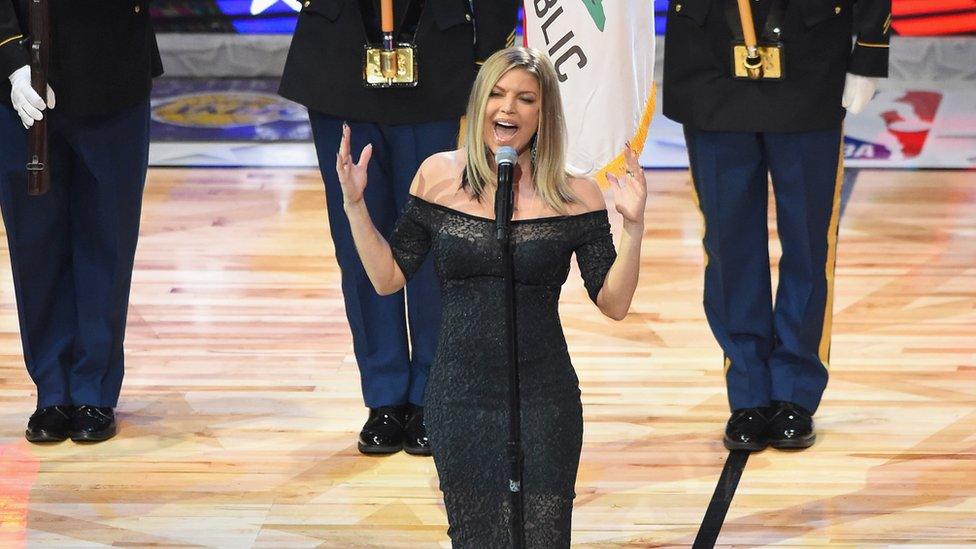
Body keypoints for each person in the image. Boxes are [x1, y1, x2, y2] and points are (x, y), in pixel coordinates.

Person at [336, 46, 647, 547]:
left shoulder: (576, 195)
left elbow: (613, 303)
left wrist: (632, 228)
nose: (509, 109)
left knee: (544, 537)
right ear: (479, 103)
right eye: (497, 95)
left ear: (544, 114)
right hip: (459, 397)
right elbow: (388, 278)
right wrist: (355, 206)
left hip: (545, 398)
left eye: (526, 99)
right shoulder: (437, 177)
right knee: (476, 537)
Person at [279, 0, 520, 455]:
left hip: (439, 55)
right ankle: (383, 395)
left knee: (437, 243)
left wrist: (489, 57)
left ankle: (433, 392)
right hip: (340, 58)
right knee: (359, 240)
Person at [663, 0, 890, 450]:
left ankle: (795, 390)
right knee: (728, 245)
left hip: (810, 53)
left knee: (808, 241)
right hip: (709, 57)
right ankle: (747, 391)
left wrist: (869, 47)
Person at [0, 0, 163, 443]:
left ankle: (94, 388)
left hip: (110, 68)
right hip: (20, 81)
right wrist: (11, 60)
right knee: (35, 243)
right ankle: (52, 390)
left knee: (106, 238)